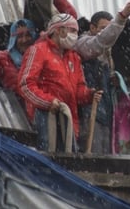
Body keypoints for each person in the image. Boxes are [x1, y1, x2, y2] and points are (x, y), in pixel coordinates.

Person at [18, 13, 102, 152]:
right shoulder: (38, 50)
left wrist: (89, 95)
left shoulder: (74, 57)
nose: (75, 35)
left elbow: (79, 89)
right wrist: (48, 102)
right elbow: (25, 85)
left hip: (69, 122)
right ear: (58, 30)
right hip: (45, 119)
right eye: (72, 31)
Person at [75, 3, 130, 155]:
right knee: (92, 149)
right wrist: (121, 17)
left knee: (107, 149)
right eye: (103, 28)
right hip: (88, 107)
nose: (107, 32)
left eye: (109, 28)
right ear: (92, 28)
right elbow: (99, 43)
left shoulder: (108, 55)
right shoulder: (83, 43)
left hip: (106, 108)